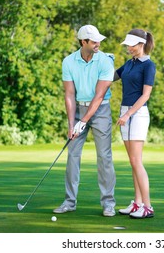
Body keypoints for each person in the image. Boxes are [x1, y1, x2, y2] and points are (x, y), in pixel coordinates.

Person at [54, 24, 116, 217]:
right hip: (79, 108)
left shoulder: (105, 61)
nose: (98, 43)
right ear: (83, 42)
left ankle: (108, 204)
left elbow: (99, 96)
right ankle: (69, 202)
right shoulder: (68, 62)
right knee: (72, 155)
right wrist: (72, 123)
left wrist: (84, 120)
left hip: (101, 110)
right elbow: (69, 94)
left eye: (99, 40)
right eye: (94, 41)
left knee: (104, 157)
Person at [115, 29, 156, 219]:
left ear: (141, 44)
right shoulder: (129, 64)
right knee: (133, 162)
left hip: (137, 114)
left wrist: (129, 114)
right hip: (126, 112)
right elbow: (112, 77)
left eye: (132, 45)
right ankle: (137, 203)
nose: (129, 48)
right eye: (128, 45)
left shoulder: (149, 65)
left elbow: (145, 95)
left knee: (137, 161)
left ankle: (147, 206)